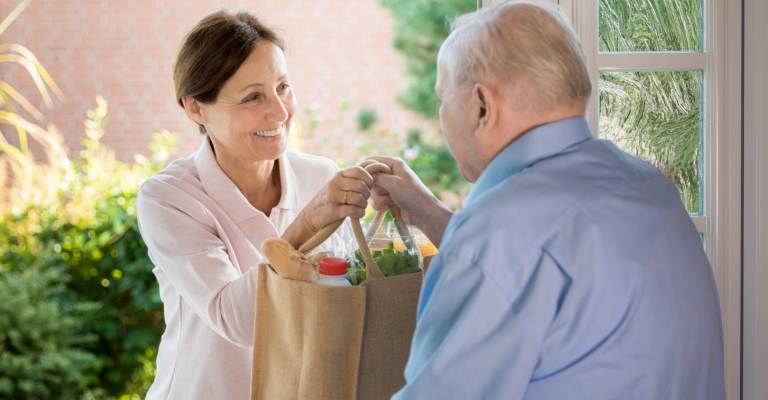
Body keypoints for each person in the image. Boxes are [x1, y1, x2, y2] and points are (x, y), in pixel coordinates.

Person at [369, 2, 724, 399]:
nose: (440, 116)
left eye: (442, 98)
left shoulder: (500, 234)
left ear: (481, 105)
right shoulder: (647, 187)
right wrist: (430, 213)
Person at [136, 11, 371, 399]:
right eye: (253, 97)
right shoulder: (168, 198)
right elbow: (238, 321)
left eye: (283, 87)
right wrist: (308, 222)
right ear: (196, 108)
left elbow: (339, 299)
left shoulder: (319, 177)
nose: (280, 112)